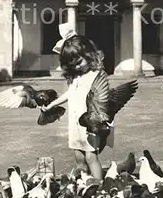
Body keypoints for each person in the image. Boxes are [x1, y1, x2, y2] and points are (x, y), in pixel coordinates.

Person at [40, 24, 114, 181]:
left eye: (80, 61)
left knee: (90, 157)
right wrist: (52, 104)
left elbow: (104, 96)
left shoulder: (95, 74)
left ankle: (100, 187)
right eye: (73, 64)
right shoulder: (75, 77)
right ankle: (86, 184)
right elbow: (70, 93)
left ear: (88, 54)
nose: (77, 66)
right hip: (74, 122)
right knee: (79, 158)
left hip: (90, 121)